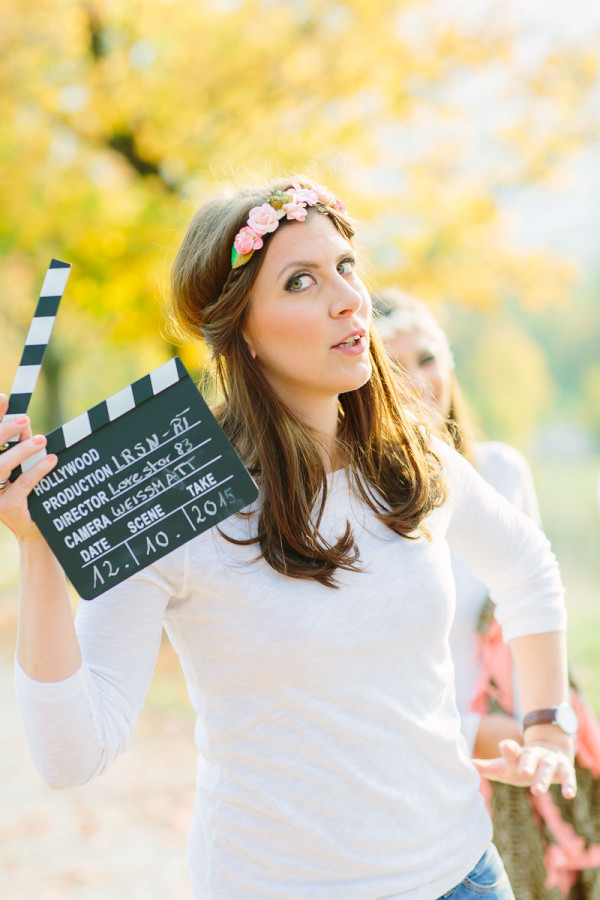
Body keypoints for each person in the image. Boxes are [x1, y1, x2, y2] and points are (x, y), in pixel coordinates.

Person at [0, 177, 577, 900]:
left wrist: (548, 721)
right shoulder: (176, 497)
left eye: (346, 267)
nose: (348, 299)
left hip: (460, 875)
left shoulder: (411, 458)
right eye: (301, 281)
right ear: (240, 328)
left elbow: (526, 564)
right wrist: (39, 549)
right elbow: (70, 755)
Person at [372, 287, 600, 899]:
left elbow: (526, 606)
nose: (420, 382)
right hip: (421, 743)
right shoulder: (363, 501)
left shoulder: (499, 472)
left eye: (428, 358)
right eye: (394, 368)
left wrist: (543, 723)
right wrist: (482, 728)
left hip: (513, 730)